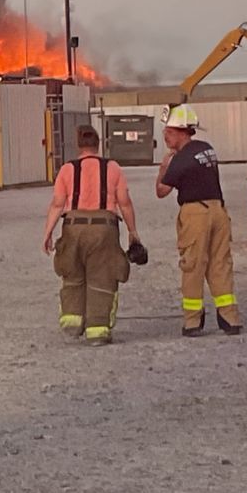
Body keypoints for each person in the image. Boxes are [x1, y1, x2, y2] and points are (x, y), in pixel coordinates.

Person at [40, 126, 141, 345]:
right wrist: (133, 233)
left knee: (73, 274)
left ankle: (73, 323)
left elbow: (57, 204)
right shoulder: (112, 168)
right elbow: (124, 202)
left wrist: (48, 234)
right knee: (102, 277)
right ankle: (98, 331)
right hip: (104, 228)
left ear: (78, 146)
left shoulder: (67, 170)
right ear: (98, 145)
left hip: (73, 227)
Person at [155, 104, 242, 337]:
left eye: (170, 132)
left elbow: (161, 191)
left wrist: (164, 167)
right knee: (220, 264)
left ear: (184, 131)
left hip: (196, 213)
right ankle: (229, 318)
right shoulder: (207, 149)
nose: (165, 136)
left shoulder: (181, 158)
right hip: (218, 211)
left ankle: (193, 321)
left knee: (192, 266)